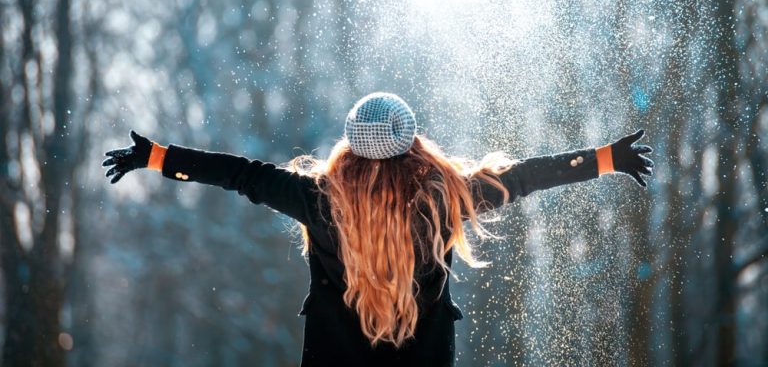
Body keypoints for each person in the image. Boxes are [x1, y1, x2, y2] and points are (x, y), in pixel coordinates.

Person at [102, 92, 653, 366]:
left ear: (348, 143)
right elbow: (528, 177)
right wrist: (605, 159)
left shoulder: (319, 199)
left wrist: (156, 157)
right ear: (414, 142)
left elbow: (238, 174)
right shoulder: (447, 197)